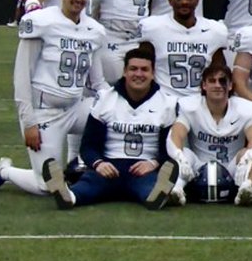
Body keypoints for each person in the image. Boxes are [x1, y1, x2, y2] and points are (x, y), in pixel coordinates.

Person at [0, 0, 108, 196]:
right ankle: (5, 171)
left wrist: (122, 108)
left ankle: (88, 165)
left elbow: (98, 82)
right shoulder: (42, 21)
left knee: (118, 119)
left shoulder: (94, 30)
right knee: (46, 186)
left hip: (75, 107)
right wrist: (29, 121)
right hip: (45, 112)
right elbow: (22, 74)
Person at [41, 43, 179, 210]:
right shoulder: (105, 99)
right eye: (133, 69)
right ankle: (68, 196)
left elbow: (170, 148)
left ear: (153, 74)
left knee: (148, 188)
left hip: (143, 169)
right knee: (88, 186)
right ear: (125, 72)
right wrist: (99, 163)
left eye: (144, 70)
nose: (139, 74)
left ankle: (157, 196)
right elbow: (88, 145)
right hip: (109, 168)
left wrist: (154, 163)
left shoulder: (167, 103)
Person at [165, 61, 252, 205]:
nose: (217, 85)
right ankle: (178, 189)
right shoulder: (191, 107)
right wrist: (179, 156)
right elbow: (175, 134)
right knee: (184, 153)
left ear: (230, 86)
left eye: (222, 81)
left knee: (246, 154)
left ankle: (245, 188)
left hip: (231, 168)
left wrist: (249, 156)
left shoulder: (244, 109)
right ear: (204, 85)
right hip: (198, 167)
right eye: (212, 81)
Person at [139, 0, 229, 97]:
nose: (184, 2)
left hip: (199, 100)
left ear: (197, 1)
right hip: (163, 99)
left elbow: (219, 70)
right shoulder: (154, 27)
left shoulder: (214, 30)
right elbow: (143, 65)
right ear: (170, 1)